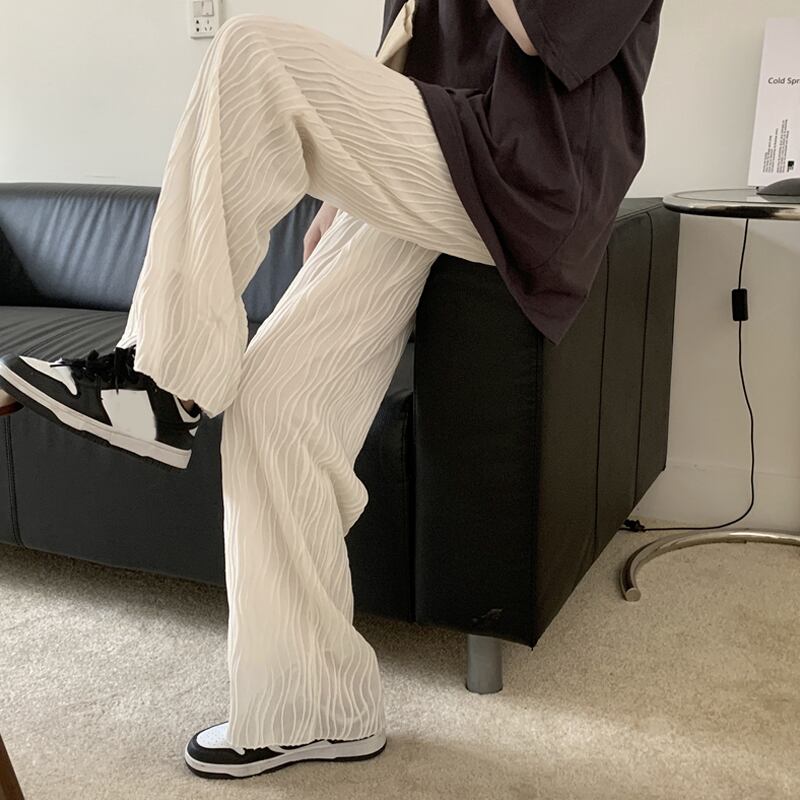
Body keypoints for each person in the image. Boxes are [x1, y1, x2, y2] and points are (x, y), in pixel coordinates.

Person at [0, 0, 664, 780]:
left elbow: (541, 31)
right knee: (273, 404)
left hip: (530, 166)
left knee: (254, 50)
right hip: (439, 146)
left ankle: (160, 378)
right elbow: (415, 39)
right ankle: (312, 707)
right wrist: (344, 189)